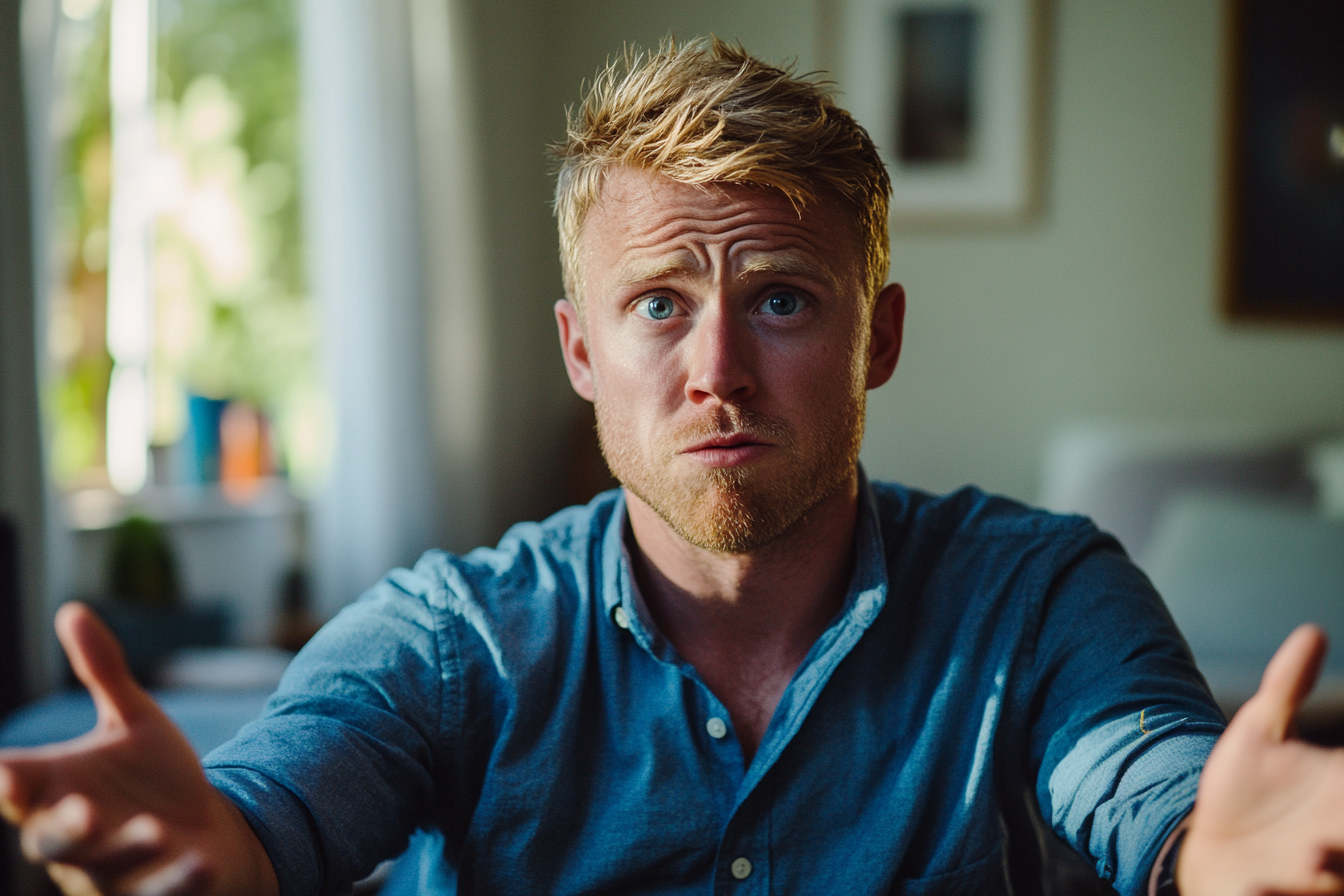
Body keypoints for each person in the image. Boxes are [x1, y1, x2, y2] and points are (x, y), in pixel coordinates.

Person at [3, 37, 1344, 896]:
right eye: (658, 304)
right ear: (581, 349)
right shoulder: (456, 636)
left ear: (876, 337)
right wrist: (214, 849)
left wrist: (1208, 851)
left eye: (780, 300)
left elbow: (1153, 782)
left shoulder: (1041, 600)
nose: (716, 366)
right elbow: (281, 801)